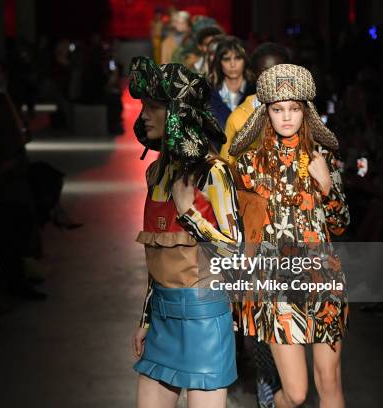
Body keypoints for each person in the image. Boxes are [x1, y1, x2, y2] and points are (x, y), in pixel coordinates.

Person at [229, 64, 347, 408]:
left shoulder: (323, 157)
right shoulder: (249, 164)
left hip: (323, 277)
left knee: (330, 380)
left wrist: (327, 187)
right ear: (266, 112)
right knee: (295, 394)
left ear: (306, 111)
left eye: (295, 109)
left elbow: (340, 224)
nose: (287, 117)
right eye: (278, 109)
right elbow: (243, 231)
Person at [128, 57, 243, 408]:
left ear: (178, 114)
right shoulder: (156, 174)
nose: (144, 114)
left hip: (205, 321)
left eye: (154, 107)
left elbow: (235, 252)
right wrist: (146, 318)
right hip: (162, 318)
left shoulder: (214, 173)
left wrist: (189, 213)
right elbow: (156, 260)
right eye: (143, 106)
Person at [221, 42, 290, 165]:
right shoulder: (238, 118)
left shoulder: (301, 112)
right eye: (265, 72)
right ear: (254, 75)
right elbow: (226, 166)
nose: (272, 78)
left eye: (278, 71)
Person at [209, 36, 254, 141]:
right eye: (226, 59)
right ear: (219, 62)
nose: (232, 65)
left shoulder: (255, 93)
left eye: (238, 58)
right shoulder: (209, 95)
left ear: (245, 60)